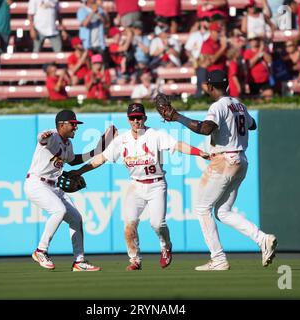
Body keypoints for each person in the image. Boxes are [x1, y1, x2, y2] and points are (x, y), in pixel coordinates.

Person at [66, 103, 210, 271]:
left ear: (145, 118)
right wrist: (80, 171)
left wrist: (198, 151)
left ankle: (166, 246)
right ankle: (135, 260)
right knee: (129, 226)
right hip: (136, 186)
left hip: (156, 184)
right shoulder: (122, 140)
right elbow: (101, 159)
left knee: (157, 224)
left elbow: (177, 145)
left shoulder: (155, 135)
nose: (136, 121)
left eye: (139, 117)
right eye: (133, 118)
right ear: (128, 120)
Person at [163, 70, 277, 271]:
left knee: (202, 208)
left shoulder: (218, 105)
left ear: (209, 86)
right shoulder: (239, 104)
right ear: (227, 85)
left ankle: (218, 258)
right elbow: (252, 125)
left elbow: (206, 128)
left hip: (224, 159)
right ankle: (262, 239)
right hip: (241, 160)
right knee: (223, 212)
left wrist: (178, 117)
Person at [25, 110, 115, 271]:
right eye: (73, 124)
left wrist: (95, 151)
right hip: (36, 183)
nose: (76, 127)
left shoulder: (68, 143)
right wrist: (43, 136)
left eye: (76, 124)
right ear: (62, 125)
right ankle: (40, 250)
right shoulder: (52, 136)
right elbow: (41, 138)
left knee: (76, 218)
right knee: (58, 210)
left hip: (54, 186)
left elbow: (73, 161)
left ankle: (79, 261)